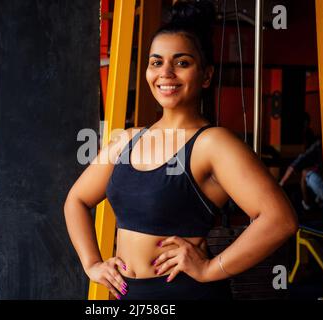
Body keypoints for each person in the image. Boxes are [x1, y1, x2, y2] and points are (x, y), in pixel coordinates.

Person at [64, 0, 298, 300]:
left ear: (206, 75)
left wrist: (210, 269)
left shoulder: (212, 143)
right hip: (126, 295)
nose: (166, 73)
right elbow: (76, 200)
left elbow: (280, 220)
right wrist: (92, 263)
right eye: (156, 62)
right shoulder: (127, 140)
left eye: (182, 62)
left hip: (185, 293)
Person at [279, 138, 323, 211]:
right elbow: (299, 161)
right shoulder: (318, 146)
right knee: (305, 173)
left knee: (306, 173)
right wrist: (282, 182)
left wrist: (282, 183)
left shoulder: (321, 144)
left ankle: (309, 204)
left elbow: (299, 161)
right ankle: (308, 204)